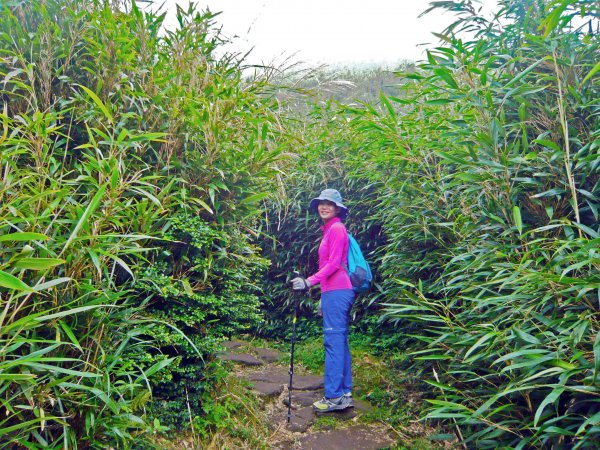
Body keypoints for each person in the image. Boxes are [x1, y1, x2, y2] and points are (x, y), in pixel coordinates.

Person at [291, 188, 355, 412]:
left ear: (337, 208)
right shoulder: (329, 230)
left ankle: (334, 397)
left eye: (329, 203)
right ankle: (344, 393)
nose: (324, 206)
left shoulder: (337, 228)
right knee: (339, 341)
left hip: (338, 291)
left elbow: (334, 264)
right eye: (321, 203)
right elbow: (331, 267)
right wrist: (323, 296)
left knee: (333, 343)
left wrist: (309, 282)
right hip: (334, 292)